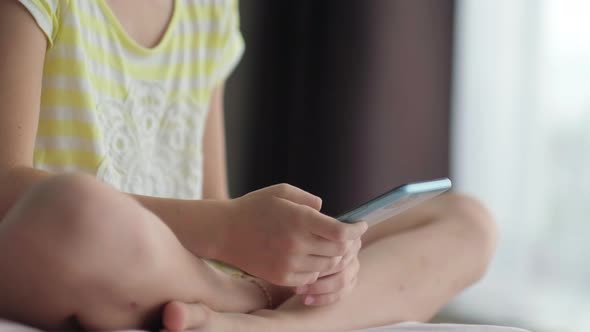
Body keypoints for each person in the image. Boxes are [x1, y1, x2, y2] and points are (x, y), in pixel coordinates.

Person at [0, 0, 498, 331]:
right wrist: (227, 232)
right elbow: (7, 186)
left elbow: (212, 199)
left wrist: (306, 257)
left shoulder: (208, 9)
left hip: (192, 272)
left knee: (468, 221)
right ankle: (243, 304)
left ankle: (273, 324)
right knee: (76, 210)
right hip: (79, 251)